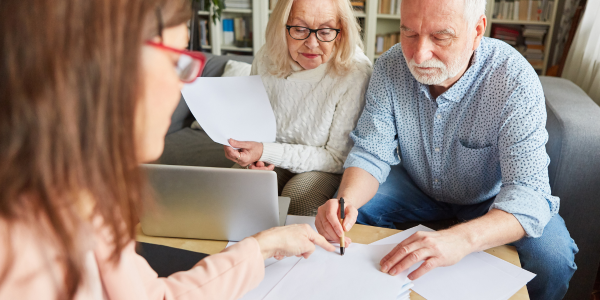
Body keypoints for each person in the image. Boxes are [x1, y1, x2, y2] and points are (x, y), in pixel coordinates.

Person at [0, 0, 336, 299]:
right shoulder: (18, 255)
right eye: (176, 61)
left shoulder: (87, 204)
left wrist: (264, 245)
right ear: (104, 65)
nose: (183, 87)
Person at [314, 0, 578, 299]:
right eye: (409, 33)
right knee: (347, 219)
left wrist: (462, 239)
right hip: (414, 184)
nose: (418, 54)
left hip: (491, 199)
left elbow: (529, 192)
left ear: (477, 30)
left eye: (440, 37)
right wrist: (345, 201)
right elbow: (371, 151)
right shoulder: (390, 65)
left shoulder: (513, 80)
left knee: (554, 258)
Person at [222, 0, 373, 216]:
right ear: (282, 27)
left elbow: (337, 158)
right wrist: (247, 150)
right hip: (272, 154)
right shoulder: (266, 57)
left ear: (340, 32)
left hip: (323, 165)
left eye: (326, 31)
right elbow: (254, 122)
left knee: (300, 197)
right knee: (233, 189)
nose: (312, 43)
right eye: (300, 29)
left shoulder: (355, 71)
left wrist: (266, 151)